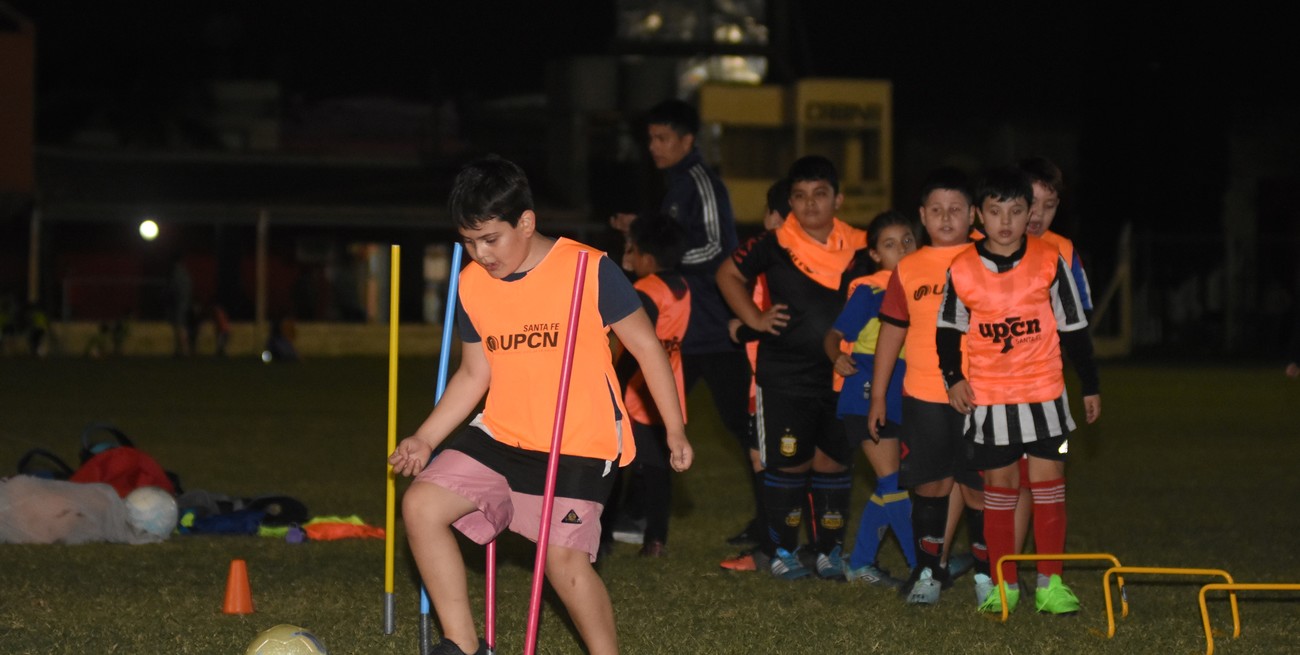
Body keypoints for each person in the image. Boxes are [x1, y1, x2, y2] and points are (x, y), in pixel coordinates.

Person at [389, 157, 693, 655]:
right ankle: (464, 645)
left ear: (525, 223)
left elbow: (646, 347)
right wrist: (425, 437)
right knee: (421, 506)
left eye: (490, 238)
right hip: (504, 433)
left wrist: (674, 429)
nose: (480, 254)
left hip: (580, 441)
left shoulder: (588, 269)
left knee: (562, 563)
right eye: (468, 241)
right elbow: (473, 374)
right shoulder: (472, 283)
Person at [935, 166, 1100, 613]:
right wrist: (954, 378)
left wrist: (1089, 384)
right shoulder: (962, 267)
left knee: (1051, 485)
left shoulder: (1050, 260)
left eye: (1016, 211)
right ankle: (1004, 585)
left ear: (1028, 213)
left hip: (1049, 400)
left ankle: (1051, 585)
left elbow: (1075, 326)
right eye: (995, 212)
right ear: (979, 216)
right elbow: (948, 329)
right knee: (1000, 491)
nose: (1006, 222)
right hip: (990, 401)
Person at [717, 155, 870, 580]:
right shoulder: (774, 243)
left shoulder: (862, 245)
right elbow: (727, 274)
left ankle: (828, 552)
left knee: (833, 464)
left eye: (820, 194)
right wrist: (754, 318)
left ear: (837, 198)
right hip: (784, 375)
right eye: (800, 197)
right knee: (789, 466)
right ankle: (783, 552)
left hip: (844, 374)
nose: (810, 205)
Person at [613, 99, 754, 543]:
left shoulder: (701, 181)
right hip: (681, 329)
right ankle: (637, 518)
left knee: (741, 424)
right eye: (650, 138)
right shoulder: (675, 185)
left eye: (663, 138)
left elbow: (718, 248)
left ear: (687, 140)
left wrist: (660, 258)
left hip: (712, 328)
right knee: (646, 416)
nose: (653, 147)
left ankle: (775, 519)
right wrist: (647, 231)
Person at [868, 168, 989, 605]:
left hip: (983, 399)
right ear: (922, 215)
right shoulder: (909, 267)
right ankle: (926, 572)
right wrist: (879, 394)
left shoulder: (988, 260)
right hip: (924, 397)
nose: (945, 218)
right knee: (931, 487)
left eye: (956, 210)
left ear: (973, 213)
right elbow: (891, 333)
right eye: (936, 210)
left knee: (979, 488)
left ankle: (986, 578)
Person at [824, 210, 919, 587]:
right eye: (890, 245)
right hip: (865, 391)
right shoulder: (871, 291)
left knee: (889, 484)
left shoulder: (922, 285)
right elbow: (832, 336)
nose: (902, 250)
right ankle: (922, 566)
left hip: (903, 390)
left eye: (908, 241)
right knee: (893, 481)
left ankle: (862, 563)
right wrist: (837, 357)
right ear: (876, 254)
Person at [718, 178, 790, 572]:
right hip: (775, 372)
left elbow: (773, 320)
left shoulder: (771, 261)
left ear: (774, 217)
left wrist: (744, 327)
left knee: (767, 458)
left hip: (770, 375)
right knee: (781, 457)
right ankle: (781, 542)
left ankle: (772, 547)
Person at [617, 213, 692, 556]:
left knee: (617, 466)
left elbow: (637, 347)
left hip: (636, 393)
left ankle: (602, 538)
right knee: (659, 470)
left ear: (646, 257)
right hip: (668, 393)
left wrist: (616, 385)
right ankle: (656, 539)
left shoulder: (644, 290)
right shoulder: (682, 286)